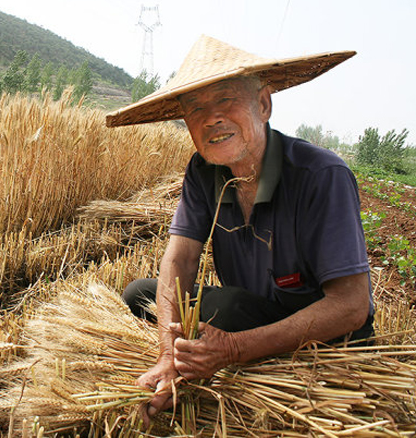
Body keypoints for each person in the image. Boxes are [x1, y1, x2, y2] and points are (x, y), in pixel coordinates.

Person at [105, 34, 373, 424]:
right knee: (141, 294)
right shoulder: (203, 170)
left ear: (263, 104)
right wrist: (167, 353)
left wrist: (233, 349)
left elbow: (351, 307)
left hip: (323, 336)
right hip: (254, 310)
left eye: (225, 99)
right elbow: (180, 258)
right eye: (195, 108)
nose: (211, 118)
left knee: (226, 309)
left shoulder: (320, 174)